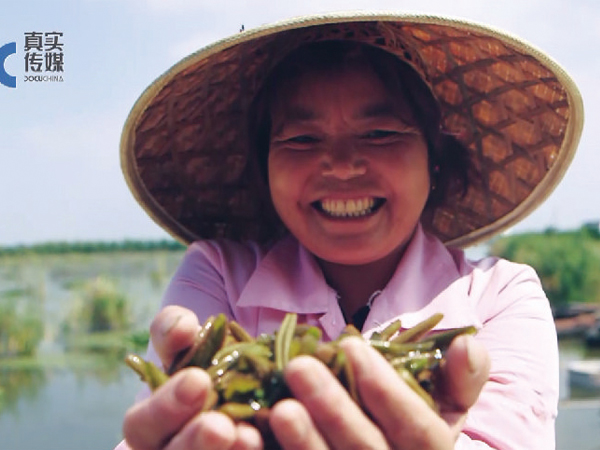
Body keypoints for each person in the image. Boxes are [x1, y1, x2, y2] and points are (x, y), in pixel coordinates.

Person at [116, 12, 583, 450]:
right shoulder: (218, 272)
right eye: (302, 138)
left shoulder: (502, 295)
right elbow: (167, 420)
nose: (341, 165)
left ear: (434, 160)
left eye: (380, 133)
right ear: (265, 168)